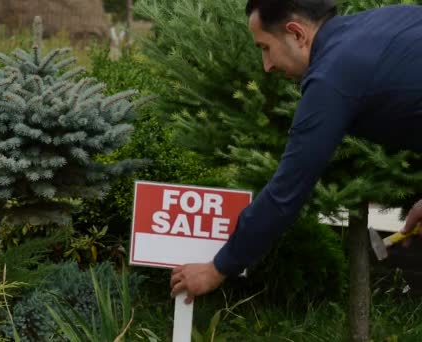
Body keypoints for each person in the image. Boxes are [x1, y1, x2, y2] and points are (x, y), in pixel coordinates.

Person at [170, 0, 422, 304]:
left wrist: (218, 268)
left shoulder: (331, 77)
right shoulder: (385, 23)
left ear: (297, 34)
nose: (267, 65)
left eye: (265, 47)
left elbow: (286, 192)